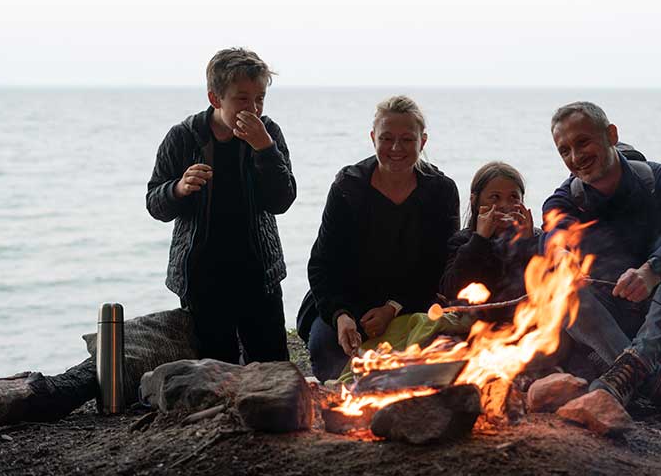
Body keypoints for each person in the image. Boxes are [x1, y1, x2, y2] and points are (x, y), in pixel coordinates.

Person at [542, 101, 661, 414]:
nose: (576, 157)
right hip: (612, 328)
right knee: (551, 279)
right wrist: (560, 253)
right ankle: (653, 382)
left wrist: (651, 272)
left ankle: (638, 363)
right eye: (565, 150)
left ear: (611, 135)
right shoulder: (566, 200)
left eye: (583, 142)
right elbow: (554, 230)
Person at [146, 48, 295, 365]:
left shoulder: (269, 133)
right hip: (202, 277)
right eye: (242, 99)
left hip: (259, 274)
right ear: (216, 98)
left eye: (260, 99)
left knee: (273, 367)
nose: (253, 109)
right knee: (215, 369)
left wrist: (265, 149)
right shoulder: (183, 137)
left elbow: (282, 200)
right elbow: (154, 203)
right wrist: (178, 188)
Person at [297, 95, 460, 382]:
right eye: (387, 138)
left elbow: (438, 265)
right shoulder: (348, 186)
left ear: (423, 141)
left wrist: (392, 308)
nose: (396, 148)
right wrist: (341, 315)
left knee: (435, 359)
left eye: (407, 139)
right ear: (373, 138)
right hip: (348, 300)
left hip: (412, 299)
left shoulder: (441, 191)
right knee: (329, 359)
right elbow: (322, 264)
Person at [441, 161, 542, 317]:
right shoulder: (463, 241)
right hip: (476, 328)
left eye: (513, 197)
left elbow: (543, 290)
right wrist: (480, 240)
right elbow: (451, 291)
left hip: (525, 324)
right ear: (475, 200)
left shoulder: (537, 238)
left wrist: (527, 245)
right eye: (495, 197)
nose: (504, 205)